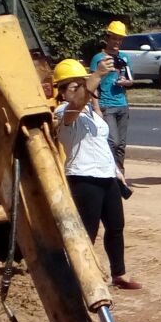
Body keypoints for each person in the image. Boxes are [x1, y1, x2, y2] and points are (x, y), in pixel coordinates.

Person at [51, 58, 140, 290]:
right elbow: (76, 106)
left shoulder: (92, 112)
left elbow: (102, 144)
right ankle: (82, 278)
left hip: (106, 176)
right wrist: (97, 75)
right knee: (88, 231)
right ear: (61, 92)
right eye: (74, 86)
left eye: (82, 84)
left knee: (116, 227)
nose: (81, 89)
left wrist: (116, 170)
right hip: (83, 178)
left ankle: (119, 273)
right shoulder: (63, 112)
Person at [89, 19, 134, 172]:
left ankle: (120, 176)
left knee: (121, 145)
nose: (117, 42)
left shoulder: (124, 58)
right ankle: (110, 172)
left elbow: (130, 79)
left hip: (122, 104)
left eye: (120, 39)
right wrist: (96, 108)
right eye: (114, 38)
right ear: (107, 38)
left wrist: (125, 82)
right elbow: (92, 84)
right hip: (106, 105)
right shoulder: (98, 58)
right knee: (112, 141)